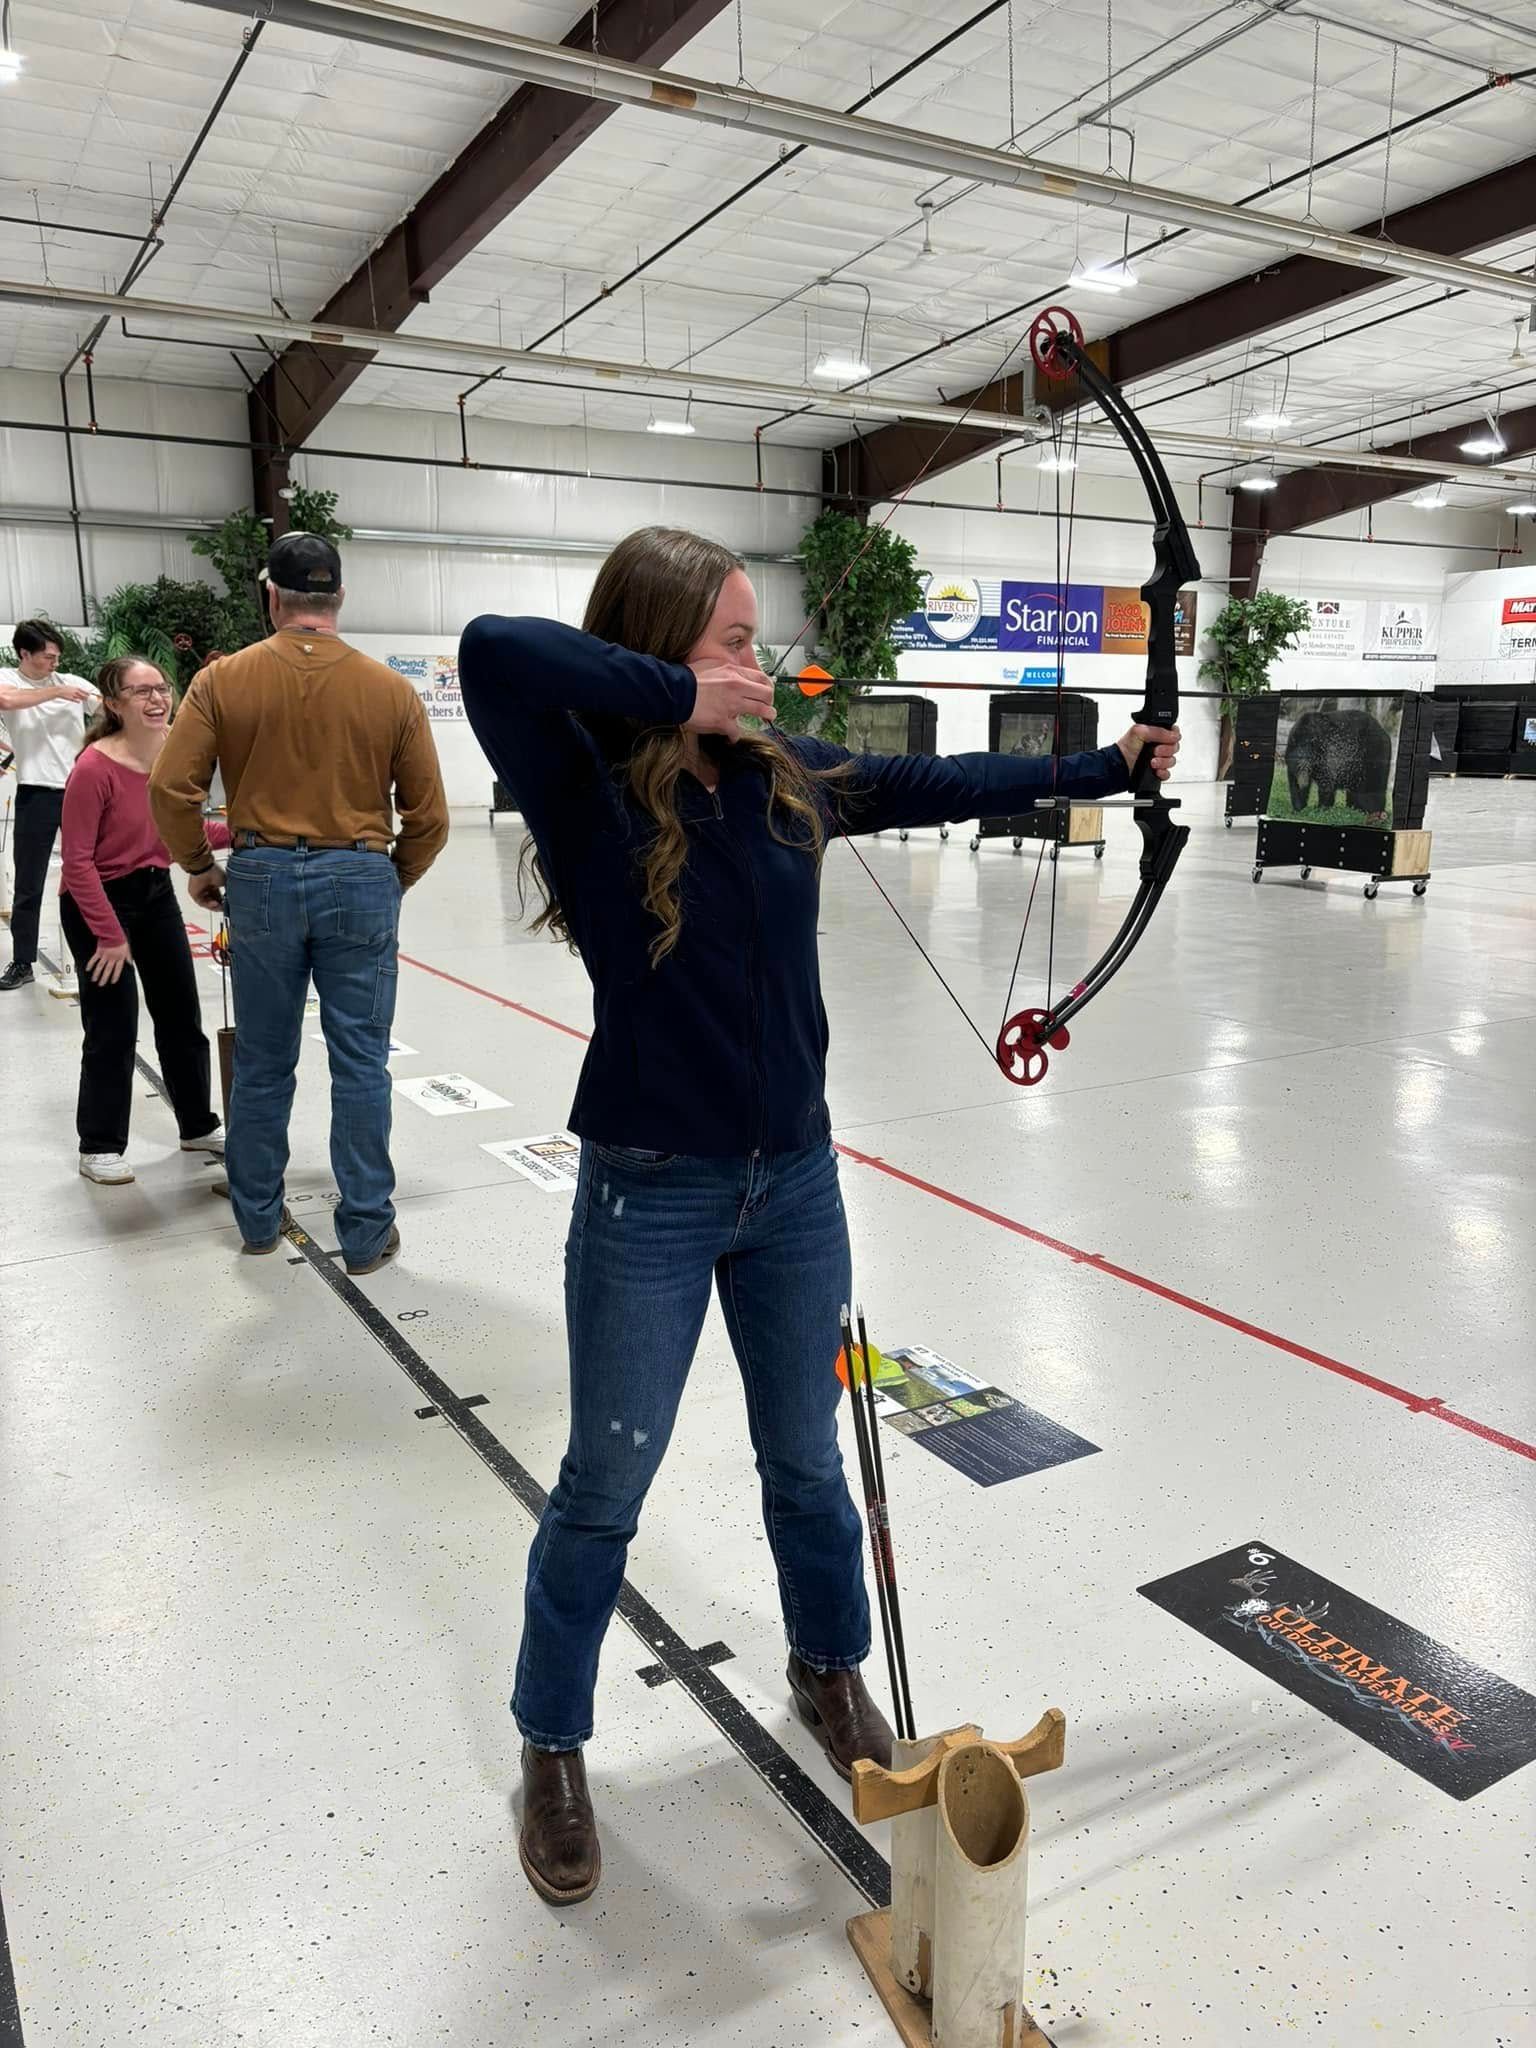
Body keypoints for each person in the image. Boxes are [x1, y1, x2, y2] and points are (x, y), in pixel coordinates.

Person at [458, 526, 1181, 1907]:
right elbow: (496, 648)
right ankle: (552, 1745)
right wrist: (676, 701)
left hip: (793, 1182)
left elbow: (935, 779)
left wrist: (1102, 764)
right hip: (651, 1189)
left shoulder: (785, 779)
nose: (759, 663)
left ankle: (828, 1665)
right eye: (731, 640)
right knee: (604, 1487)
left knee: (807, 1453)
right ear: (665, 649)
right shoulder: (584, 780)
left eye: (752, 637)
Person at [149, 533, 449, 1272]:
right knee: (360, 1064)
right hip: (360, 876)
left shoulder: (224, 681)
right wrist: (388, 877)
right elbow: (431, 816)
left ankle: (256, 1219)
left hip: (261, 877)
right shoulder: (389, 690)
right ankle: (368, 1232)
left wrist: (197, 864)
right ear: (338, 597)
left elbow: (169, 788)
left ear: (272, 597)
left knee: (261, 1061)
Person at [59, 658, 229, 1184]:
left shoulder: (173, 751)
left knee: (180, 1013)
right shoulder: (94, 767)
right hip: (97, 902)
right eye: (140, 692)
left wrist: (238, 833)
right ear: (113, 704)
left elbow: (178, 826)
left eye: (161, 689)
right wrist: (109, 937)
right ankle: (99, 1144)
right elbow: (78, 862)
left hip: (154, 892)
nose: (157, 700)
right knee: (113, 1025)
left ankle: (196, 1123)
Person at [1, 621, 98, 990]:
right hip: (35, 794)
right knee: (29, 883)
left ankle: (99, 949)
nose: (55, 663)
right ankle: (23, 962)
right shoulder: (8, 677)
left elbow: (108, 709)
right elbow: (6, 701)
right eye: (47, 657)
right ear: (25, 654)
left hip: (79, 792)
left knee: (93, 874)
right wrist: (57, 692)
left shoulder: (73, 682)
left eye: (58, 656)